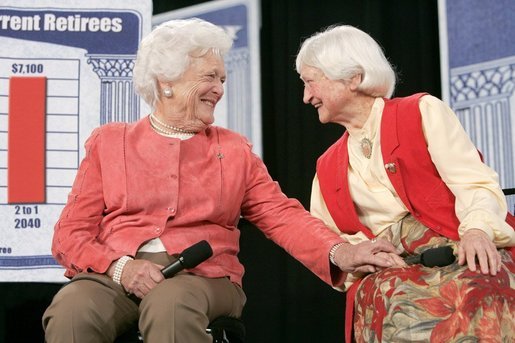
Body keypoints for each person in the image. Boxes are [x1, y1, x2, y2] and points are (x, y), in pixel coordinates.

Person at [42, 18, 401, 343]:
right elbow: (69, 235)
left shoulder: (233, 150)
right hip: (115, 274)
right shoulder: (110, 142)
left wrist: (342, 251)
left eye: (222, 79)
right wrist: (121, 267)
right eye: (209, 76)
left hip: (203, 278)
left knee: (170, 304)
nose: (219, 88)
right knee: (72, 311)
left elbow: (282, 215)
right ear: (166, 82)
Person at [295, 24, 515, 342]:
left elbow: (474, 183)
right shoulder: (326, 166)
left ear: (354, 78)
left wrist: (478, 229)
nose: (306, 97)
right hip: (391, 286)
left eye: (311, 82)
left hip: (459, 257)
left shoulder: (421, 112)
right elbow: (330, 243)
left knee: (481, 287)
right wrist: (355, 253)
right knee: (388, 300)